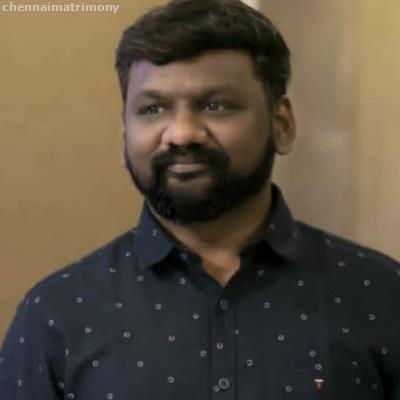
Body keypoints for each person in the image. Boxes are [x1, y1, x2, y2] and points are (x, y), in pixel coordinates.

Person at [1, 0, 399, 399]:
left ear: (281, 126)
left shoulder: (381, 294)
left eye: (215, 105)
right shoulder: (56, 314)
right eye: (152, 109)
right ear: (125, 134)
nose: (181, 134)